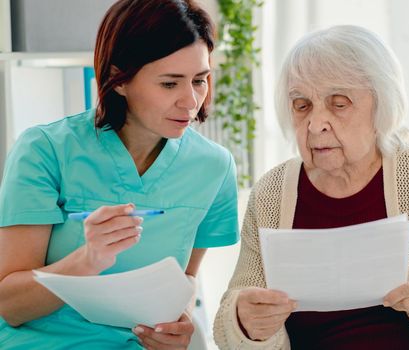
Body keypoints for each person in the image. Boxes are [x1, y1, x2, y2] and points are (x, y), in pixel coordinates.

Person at [213, 25, 409, 349]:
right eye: (302, 104)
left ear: (381, 106)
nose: (316, 123)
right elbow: (228, 325)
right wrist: (246, 322)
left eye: (339, 103)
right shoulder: (272, 193)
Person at [0, 0, 239, 349]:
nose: (192, 102)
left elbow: (185, 279)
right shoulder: (45, 150)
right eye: (170, 84)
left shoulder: (214, 167)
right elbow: (10, 306)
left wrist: (179, 324)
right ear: (118, 78)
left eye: (200, 80)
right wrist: (86, 261)